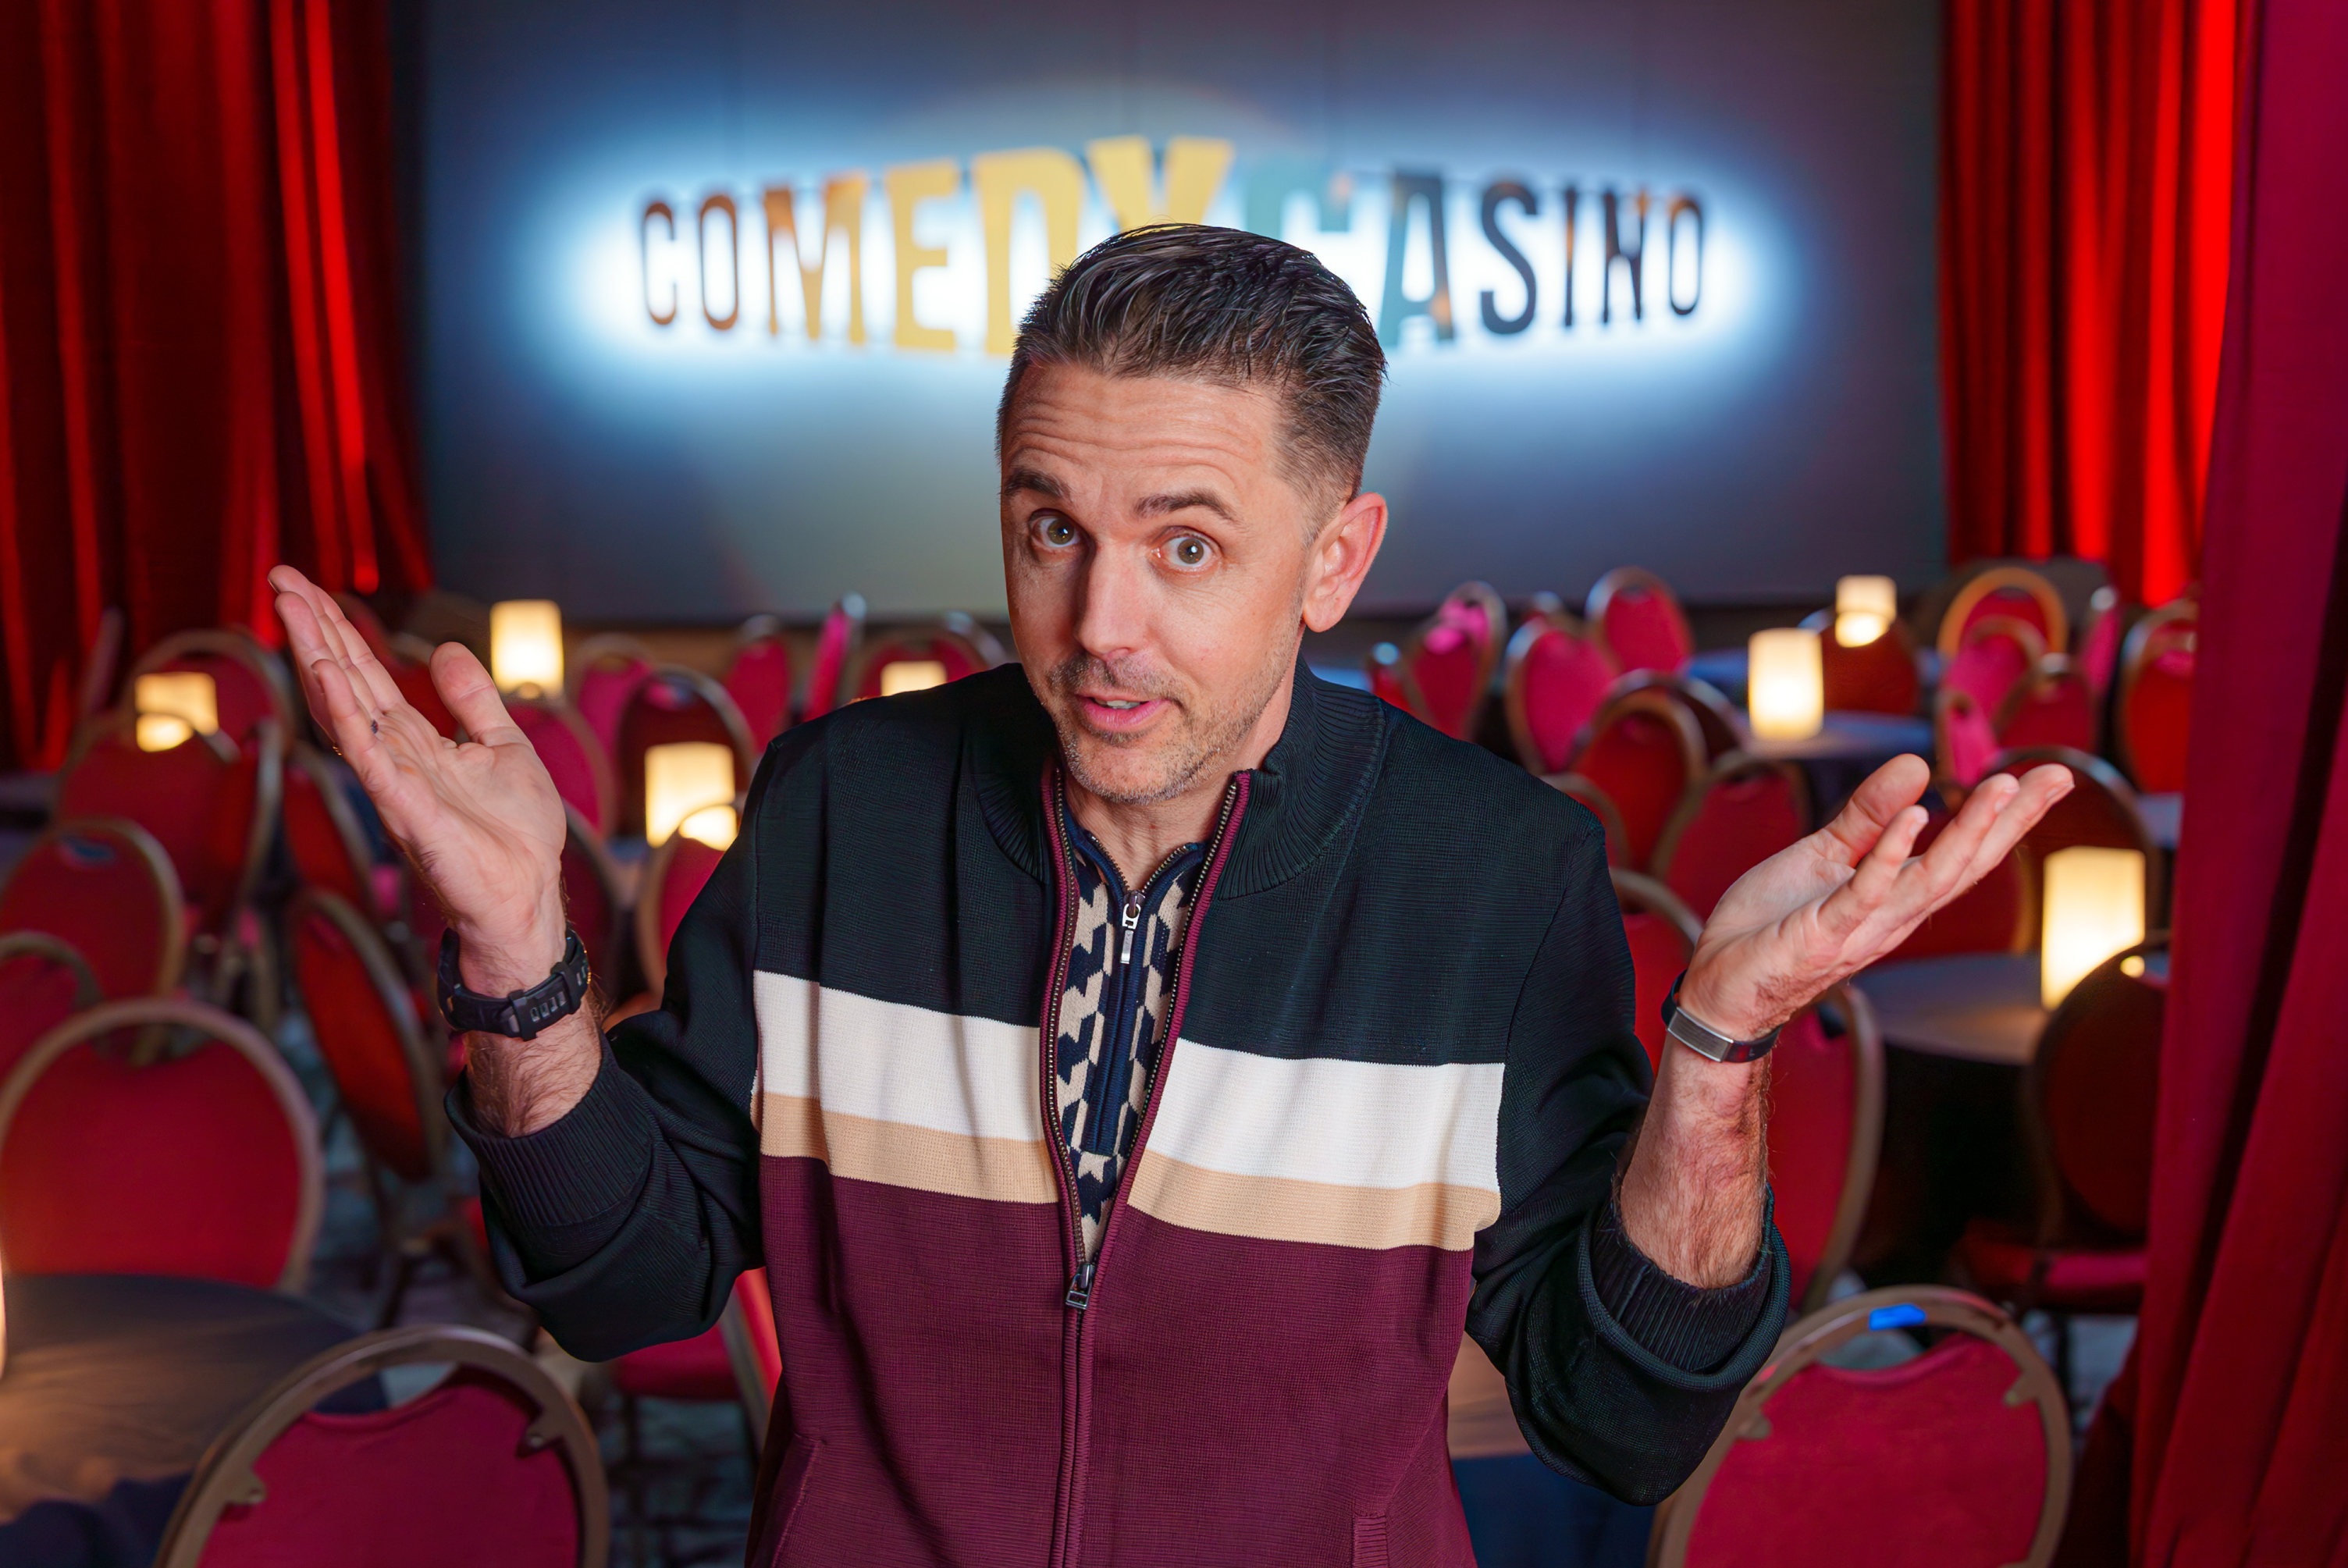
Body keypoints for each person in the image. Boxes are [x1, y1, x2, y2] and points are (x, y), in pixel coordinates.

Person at [269, 226, 2068, 1566]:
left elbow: (1623, 1417)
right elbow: (619, 1280)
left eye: (1186, 545)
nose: (1098, 625)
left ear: (1334, 560)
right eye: (1051, 528)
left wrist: (1717, 1054)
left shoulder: (1491, 874)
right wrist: (519, 953)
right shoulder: (839, 811)